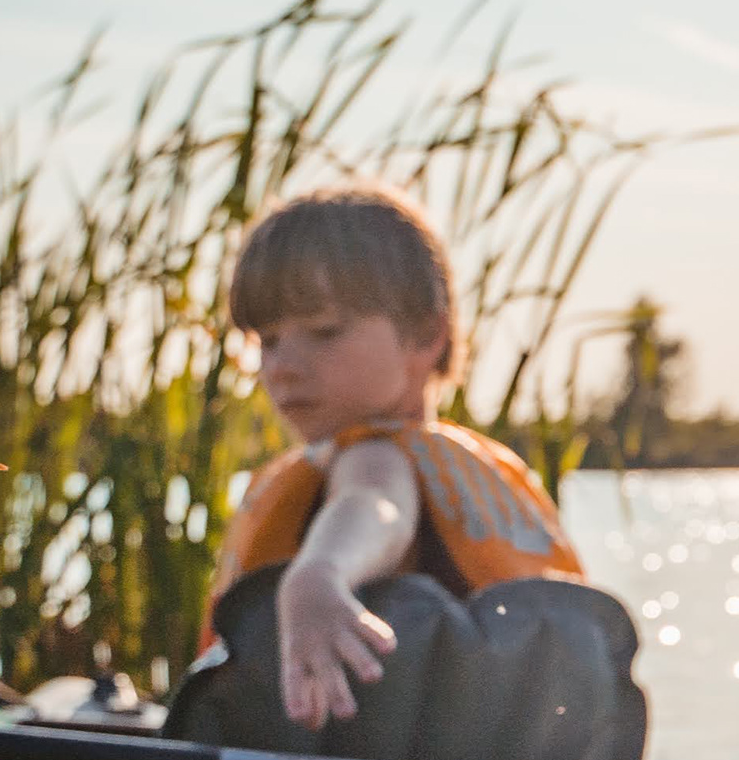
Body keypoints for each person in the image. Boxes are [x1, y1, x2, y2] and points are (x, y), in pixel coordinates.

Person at [212, 182, 587, 726]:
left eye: (324, 332)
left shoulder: (373, 456)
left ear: (426, 336)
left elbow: (376, 504)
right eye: (267, 341)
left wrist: (319, 573)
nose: (282, 366)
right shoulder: (438, 466)